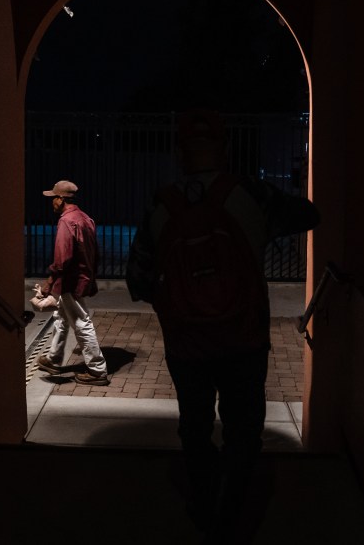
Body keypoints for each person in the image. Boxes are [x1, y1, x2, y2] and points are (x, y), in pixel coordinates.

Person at [127, 109, 320, 539]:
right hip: (243, 340)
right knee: (243, 429)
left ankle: (203, 504)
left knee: (194, 427)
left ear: (180, 153)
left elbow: (137, 281)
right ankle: (231, 516)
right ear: (225, 149)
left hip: (187, 345)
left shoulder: (161, 205)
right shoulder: (251, 194)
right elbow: (310, 215)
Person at [35, 180, 109, 386]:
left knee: (81, 321)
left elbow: (63, 258)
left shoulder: (67, 221)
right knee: (62, 316)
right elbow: (95, 252)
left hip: (70, 279)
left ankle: (97, 369)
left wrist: (50, 281)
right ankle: (53, 358)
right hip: (81, 276)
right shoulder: (85, 218)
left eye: (53, 198)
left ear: (61, 199)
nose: (51, 203)